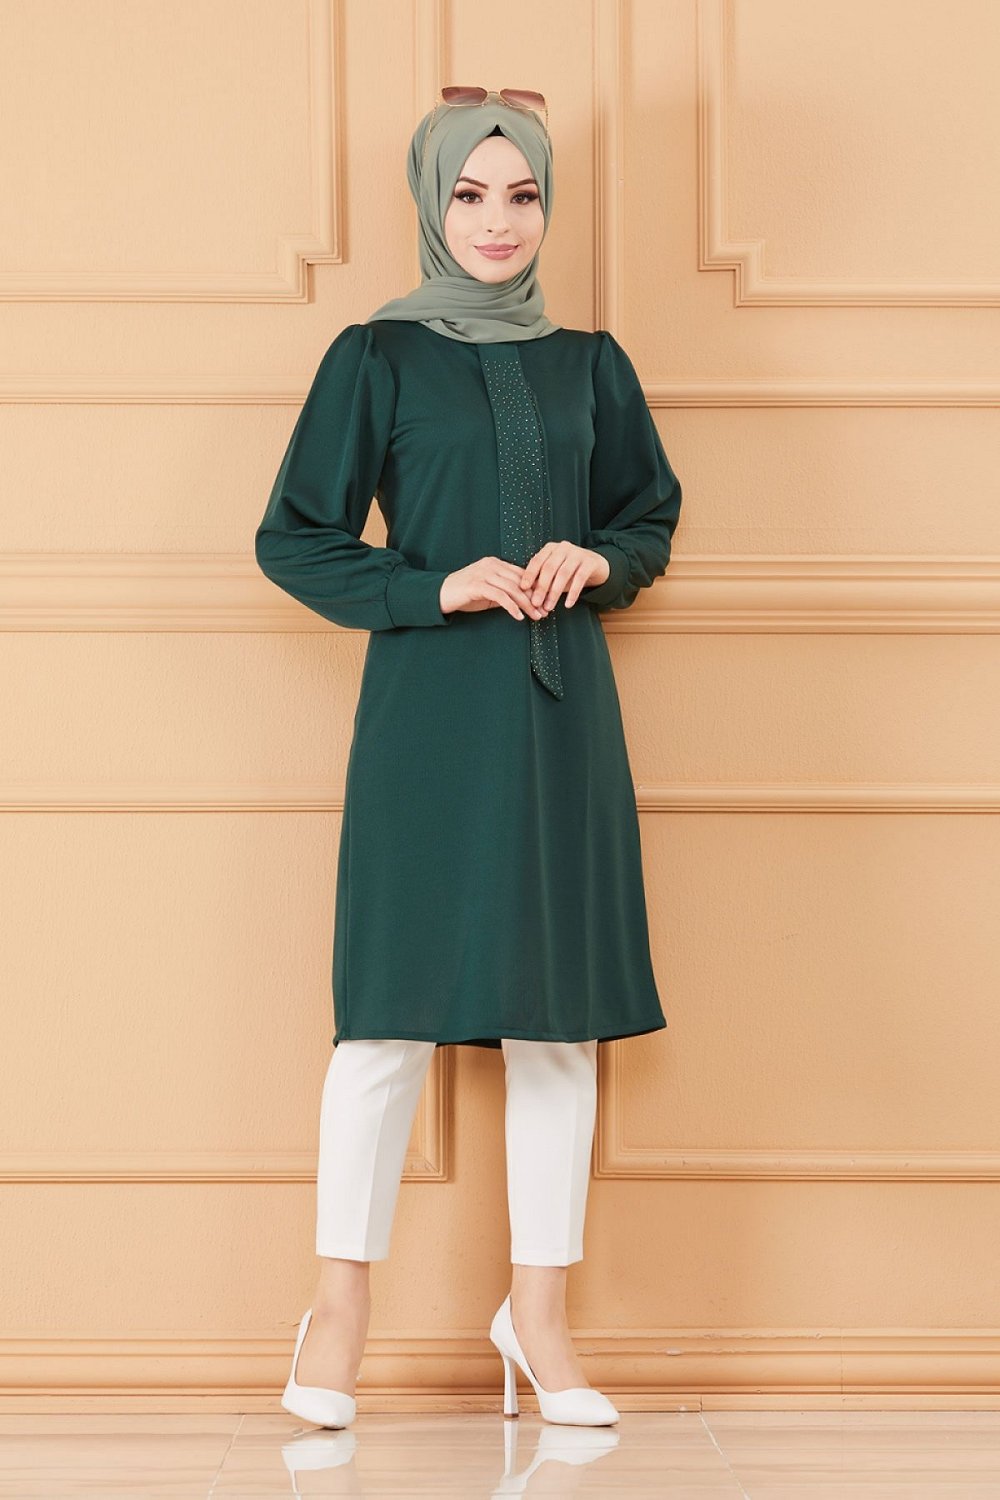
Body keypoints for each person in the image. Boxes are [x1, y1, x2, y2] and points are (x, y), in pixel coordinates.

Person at [254, 87, 683, 1429]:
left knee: (557, 1026)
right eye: (470, 195)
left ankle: (537, 1320)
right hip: (427, 722)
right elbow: (294, 537)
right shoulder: (375, 357)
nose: (499, 221)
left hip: (560, 719)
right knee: (384, 1020)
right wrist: (429, 586)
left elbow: (649, 518)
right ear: (432, 204)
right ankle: (339, 1313)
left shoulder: (592, 364)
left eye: (523, 195)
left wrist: (595, 560)